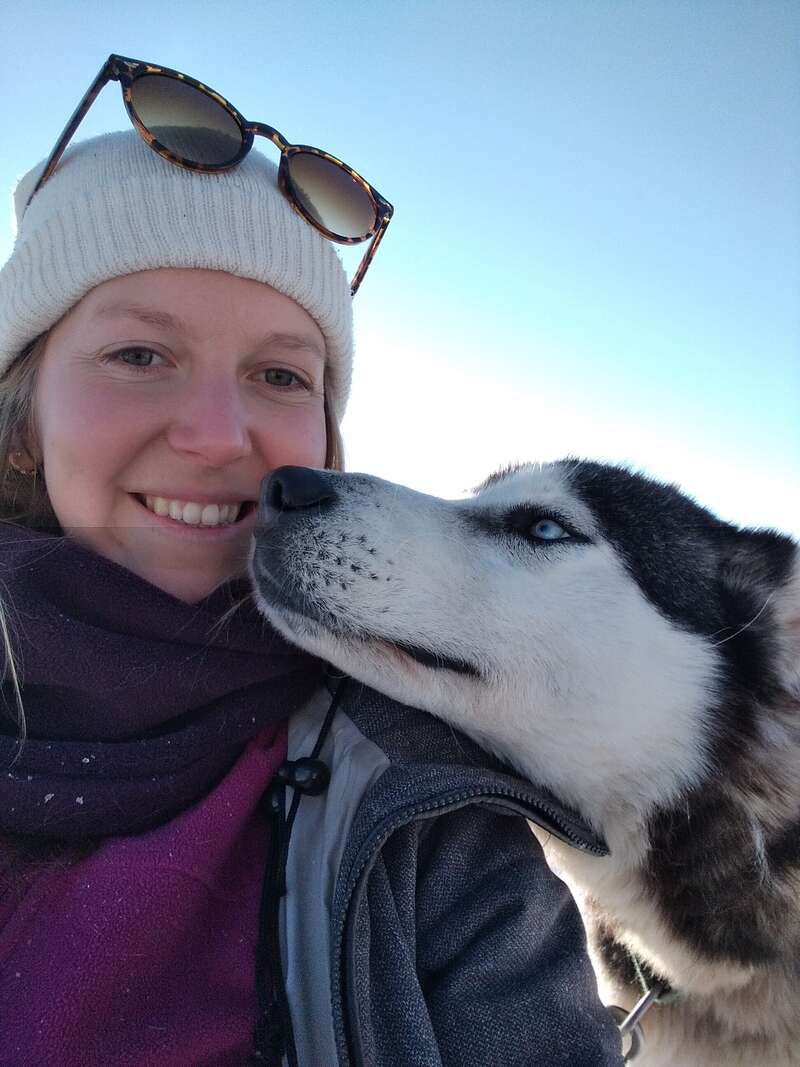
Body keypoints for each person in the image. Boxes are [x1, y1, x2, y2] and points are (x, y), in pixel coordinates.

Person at [0, 56, 624, 1067]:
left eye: (280, 374)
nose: (218, 434)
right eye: (139, 355)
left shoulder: (425, 810)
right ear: (25, 418)